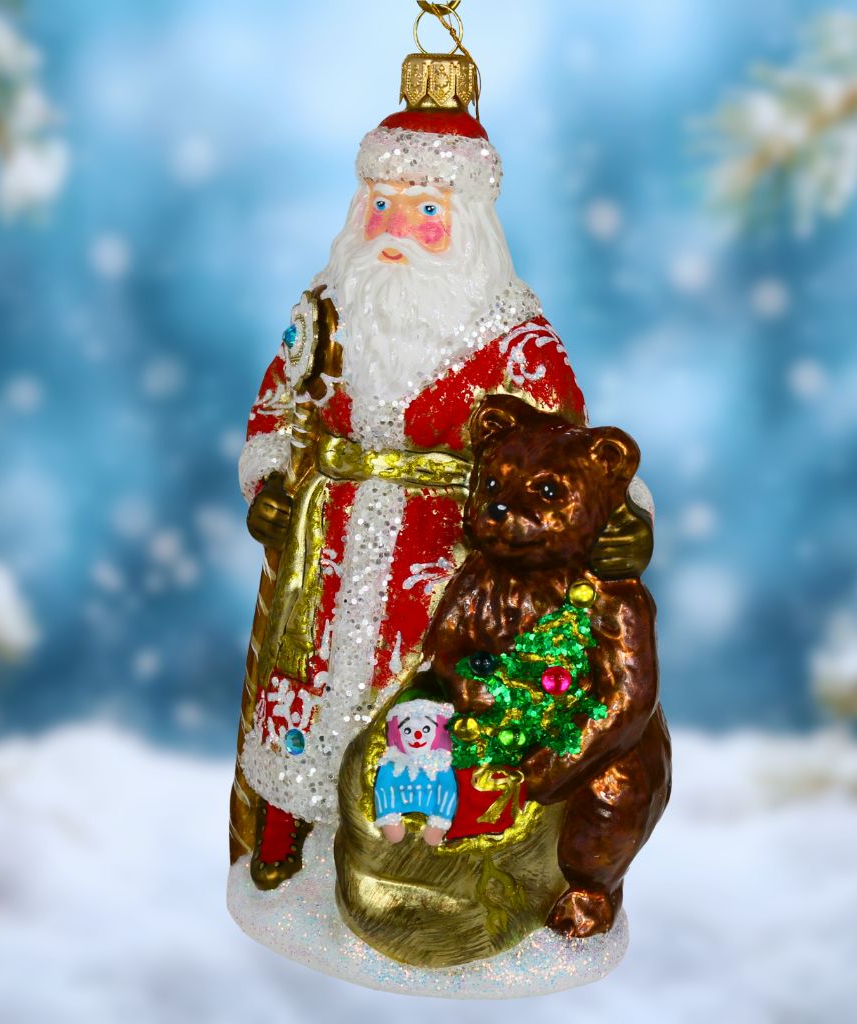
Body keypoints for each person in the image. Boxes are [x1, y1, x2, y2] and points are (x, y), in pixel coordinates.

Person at [231, 99, 651, 889]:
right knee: (307, 681)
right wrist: (271, 479)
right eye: (380, 204)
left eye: (425, 211)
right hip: (328, 545)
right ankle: (290, 824)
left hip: (444, 552)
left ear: (470, 223)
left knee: (417, 698)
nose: (394, 227)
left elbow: (572, 455)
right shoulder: (326, 314)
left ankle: (410, 854)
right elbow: (277, 407)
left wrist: (622, 521)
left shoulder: (517, 343)